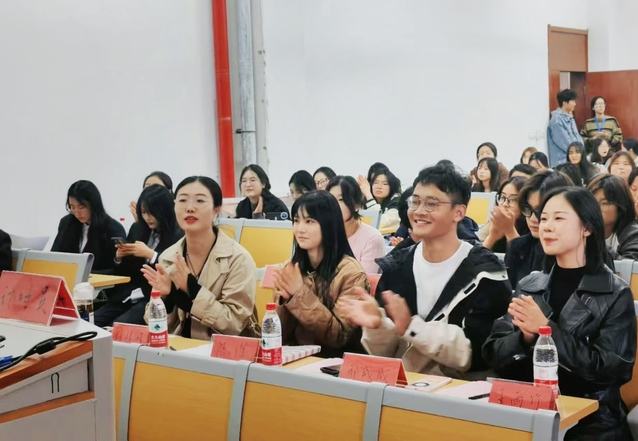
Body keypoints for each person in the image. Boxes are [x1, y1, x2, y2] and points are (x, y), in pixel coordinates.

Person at [483, 187, 635, 440]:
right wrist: (525, 338)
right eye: (544, 218)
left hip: (592, 422)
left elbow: (610, 371)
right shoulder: (530, 285)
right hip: (530, 410)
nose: (547, 226)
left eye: (559, 218)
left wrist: (546, 330)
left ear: (587, 228)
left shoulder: (615, 293)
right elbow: (493, 354)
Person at [342, 163, 511, 377]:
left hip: (457, 390)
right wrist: (377, 326)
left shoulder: (486, 273)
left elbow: (478, 354)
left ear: (458, 212)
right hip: (400, 386)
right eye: (415, 201)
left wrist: (412, 328)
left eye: (431, 204)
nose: (419, 211)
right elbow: (386, 354)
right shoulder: (397, 265)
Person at [142, 176, 259, 339]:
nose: (189, 208)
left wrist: (192, 289)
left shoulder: (238, 259)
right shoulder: (168, 257)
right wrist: (167, 298)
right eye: (182, 200)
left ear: (216, 209)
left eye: (200, 201)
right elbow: (152, 324)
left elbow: (234, 324)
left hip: (221, 351)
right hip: (179, 348)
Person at [272, 191, 368, 357]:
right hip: (295, 359)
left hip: (335, 363)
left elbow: (338, 337)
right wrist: (284, 300)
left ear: (328, 224)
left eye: (309, 221)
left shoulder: (351, 273)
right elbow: (278, 336)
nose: (300, 229)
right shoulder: (291, 269)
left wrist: (298, 294)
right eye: (296, 220)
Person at [94, 185, 183, 327]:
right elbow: (125, 271)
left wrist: (151, 255)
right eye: (143, 212)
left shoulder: (178, 234)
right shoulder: (138, 228)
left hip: (153, 297)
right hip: (128, 293)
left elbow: (174, 272)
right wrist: (119, 258)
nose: (147, 217)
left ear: (164, 211)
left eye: (152, 213)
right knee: (92, 321)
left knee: (118, 326)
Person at [505, 171, 573, 289]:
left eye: (540, 211)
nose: (533, 218)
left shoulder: (579, 252)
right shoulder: (517, 247)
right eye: (528, 209)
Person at [52, 180, 126, 271]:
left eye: (81, 207)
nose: (76, 212)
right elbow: (55, 254)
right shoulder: (66, 223)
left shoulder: (112, 228)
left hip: (99, 278)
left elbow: (115, 267)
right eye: (72, 207)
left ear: (93, 205)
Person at [326, 176, 385, 273]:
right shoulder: (323, 234)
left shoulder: (372, 238)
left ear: (356, 203)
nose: (334, 205)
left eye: (341, 199)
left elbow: (365, 280)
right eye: (331, 199)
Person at [587, 174, 638, 261]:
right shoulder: (580, 230)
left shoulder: (633, 235)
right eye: (591, 201)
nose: (596, 207)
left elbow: (629, 266)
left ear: (621, 207)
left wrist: (594, 244)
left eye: (604, 203)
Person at [478, 176, 529, 252]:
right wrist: (492, 237)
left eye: (513, 199)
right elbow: (476, 254)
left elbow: (523, 257)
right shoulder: (496, 221)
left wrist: (510, 231)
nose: (505, 204)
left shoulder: (532, 225)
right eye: (502, 197)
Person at [547, 89, 584, 166]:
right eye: (572, 101)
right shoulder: (557, 120)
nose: (575, 104)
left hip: (575, 161)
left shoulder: (570, 117)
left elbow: (577, 136)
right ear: (564, 103)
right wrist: (577, 152)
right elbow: (565, 143)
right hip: (562, 163)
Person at [359, 167, 402, 232]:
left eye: (385, 184)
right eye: (375, 183)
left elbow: (378, 222)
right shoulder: (364, 200)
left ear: (391, 186)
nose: (379, 187)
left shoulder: (397, 202)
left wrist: (368, 195)